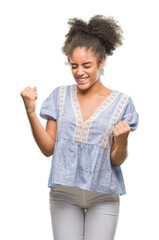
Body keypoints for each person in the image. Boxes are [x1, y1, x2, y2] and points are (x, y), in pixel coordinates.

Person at [20, 15, 139, 240]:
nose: (79, 72)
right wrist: (30, 112)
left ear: (101, 63)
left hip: (102, 195)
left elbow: (116, 160)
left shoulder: (122, 103)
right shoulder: (59, 96)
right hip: (64, 195)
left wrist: (122, 142)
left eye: (87, 65)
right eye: (74, 66)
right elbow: (48, 148)